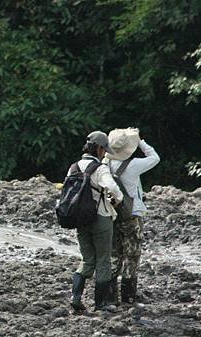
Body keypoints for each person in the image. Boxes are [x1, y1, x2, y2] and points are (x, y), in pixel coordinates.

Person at [69, 131, 123, 311]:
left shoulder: (74, 167)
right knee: (103, 261)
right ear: (99, 148)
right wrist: (117, 200)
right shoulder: (100, 168)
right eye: (103, 150)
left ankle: (75, 297)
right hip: (100, 218)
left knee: (87, 260)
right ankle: (100, 304)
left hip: (80, 219)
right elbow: (114, 189)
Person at [105, 128, 160, 304]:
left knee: (114, 254)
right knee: (132, 255)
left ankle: (111, 297)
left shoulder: (105, 164)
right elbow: (154, 158)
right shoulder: (134, 165)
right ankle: (128, 296)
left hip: (111, 214)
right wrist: (141, 141)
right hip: (131, 215)